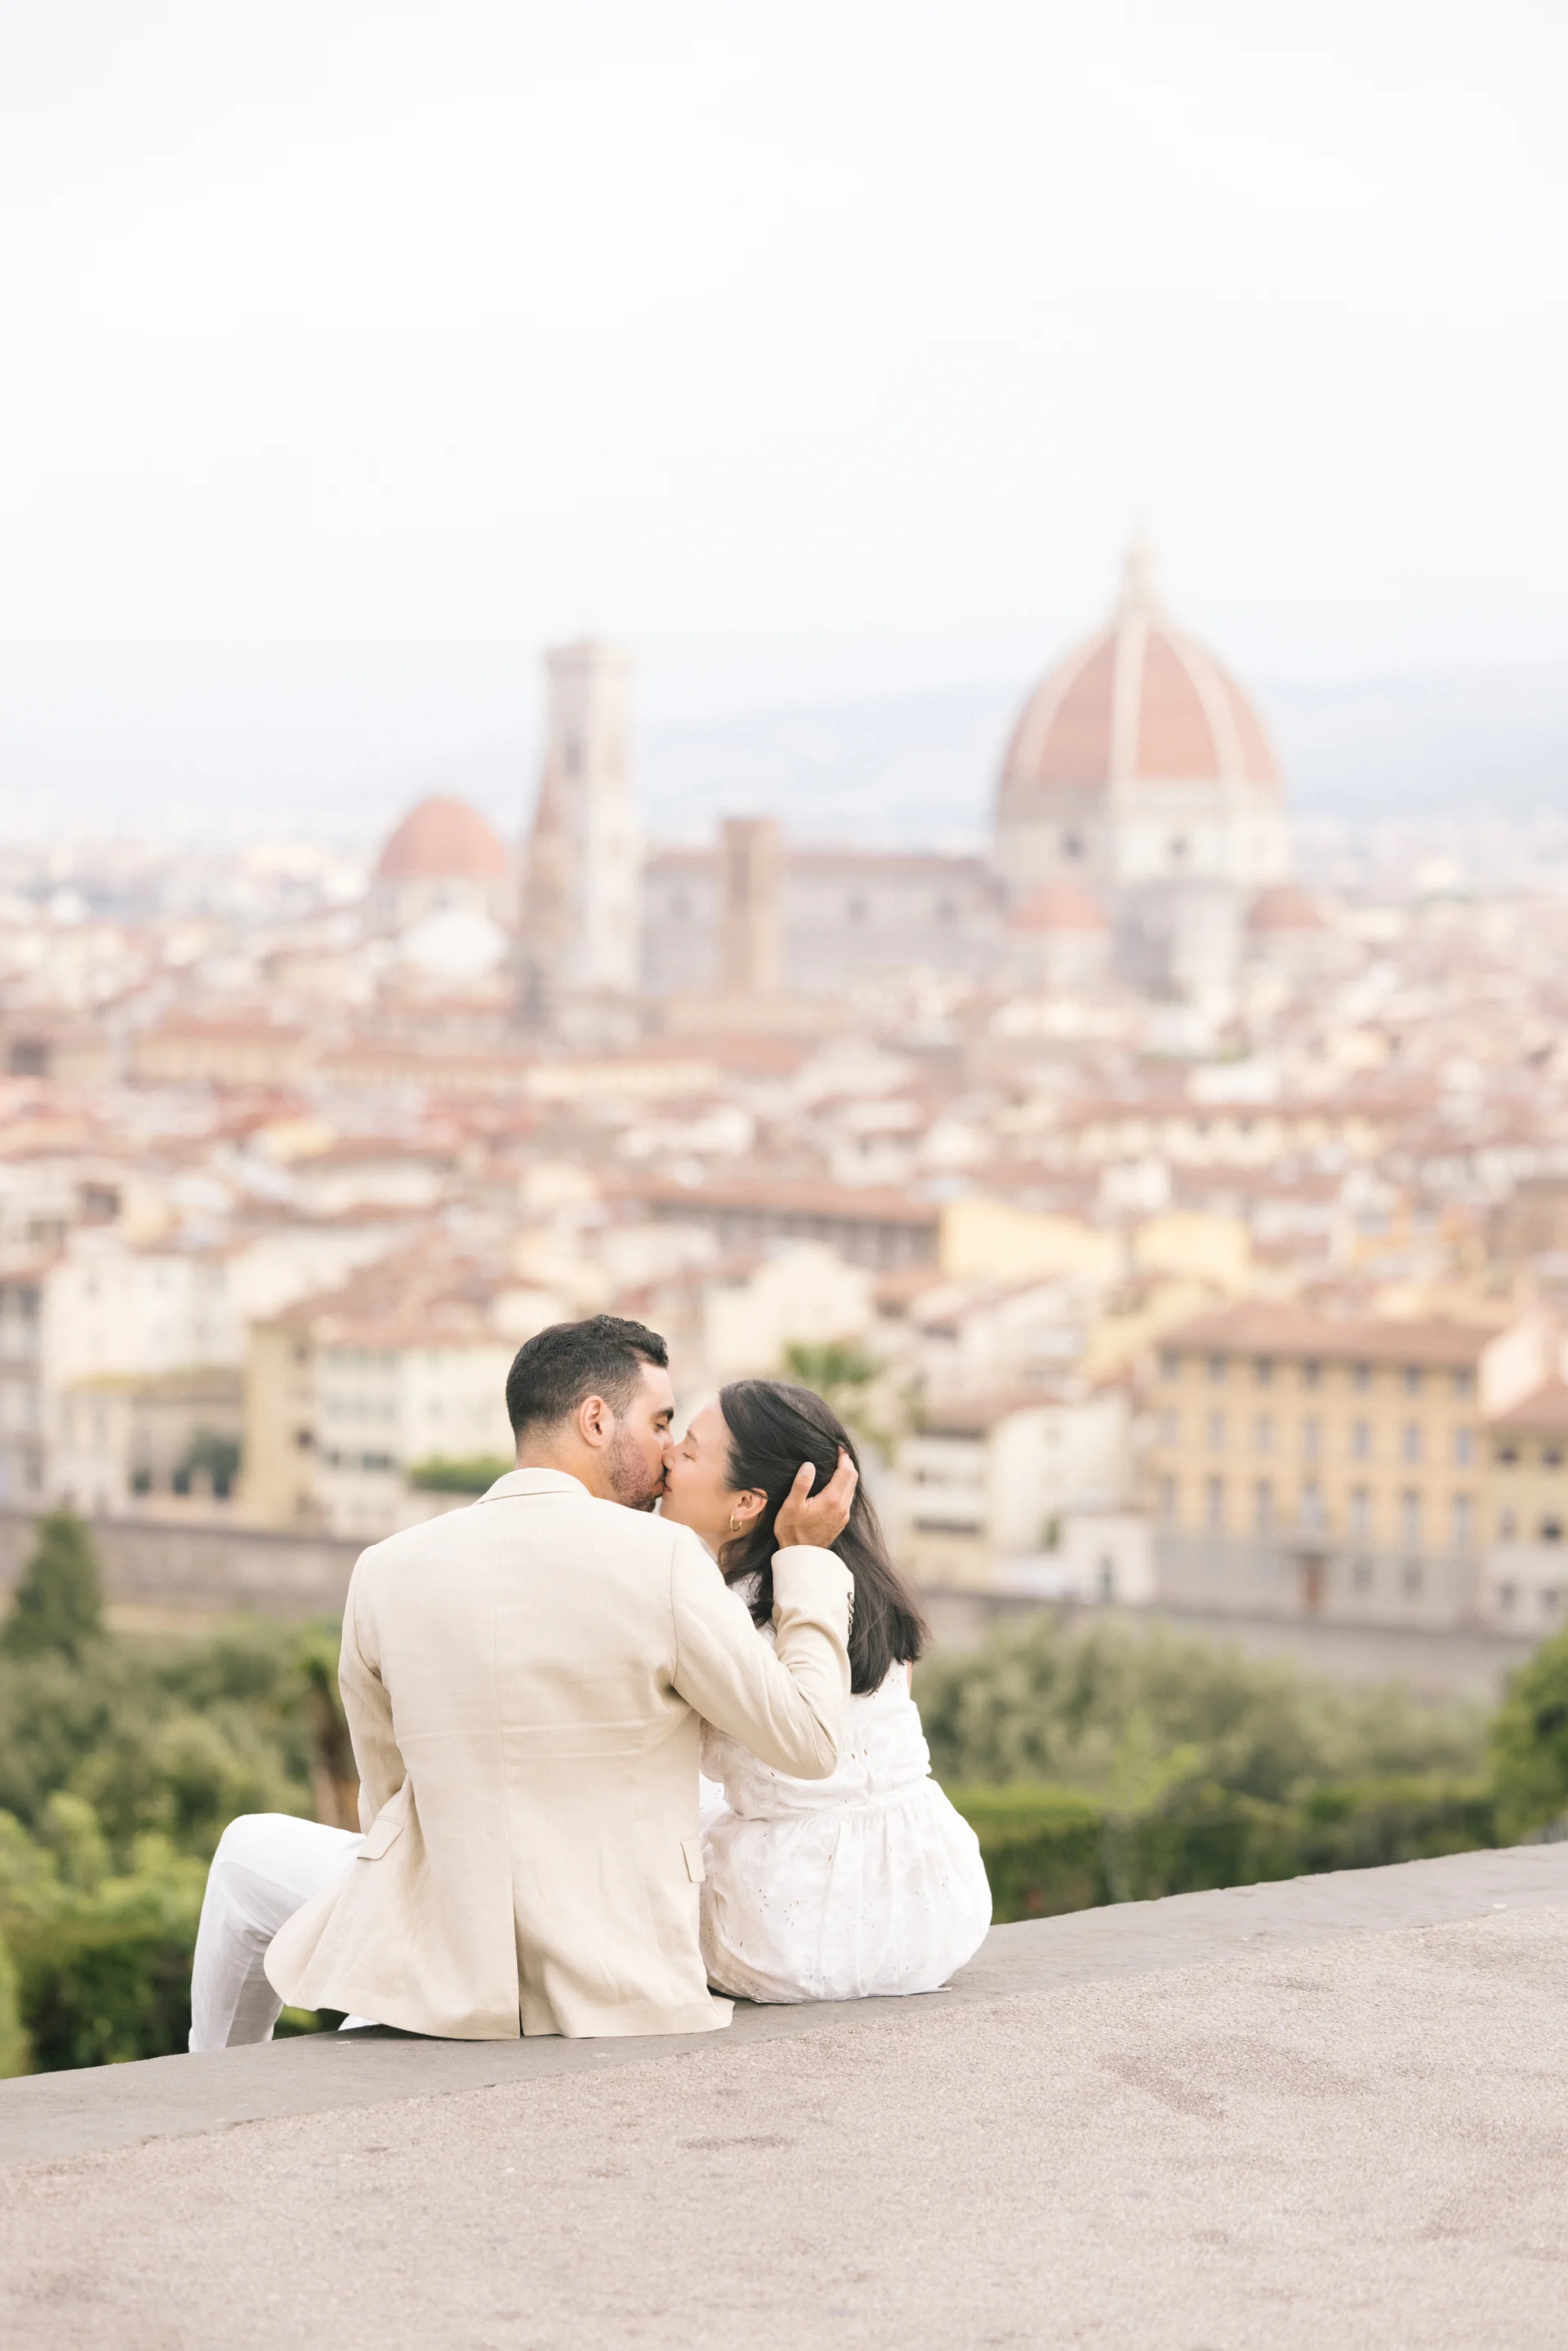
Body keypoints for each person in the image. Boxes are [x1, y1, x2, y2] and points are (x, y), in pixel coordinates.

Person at [188, 1316, 857, 2048]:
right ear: (595, 1420)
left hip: (450, 1964)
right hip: (618, 1976)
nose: (670, 1453)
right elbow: (810, 1741)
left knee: (246, 1850)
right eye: (661, 1422)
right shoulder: (665, 1558)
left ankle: (214, 2076)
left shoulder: (384, 1570)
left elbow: (387, 1804)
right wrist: (807, 1558)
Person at [660, 1379, 991, 2004]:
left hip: (783, 1936)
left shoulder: (725, 1611)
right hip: (934, 1908)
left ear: (747, 1502)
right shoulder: (873, 1592)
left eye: (690, 1449)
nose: (668, 1457)